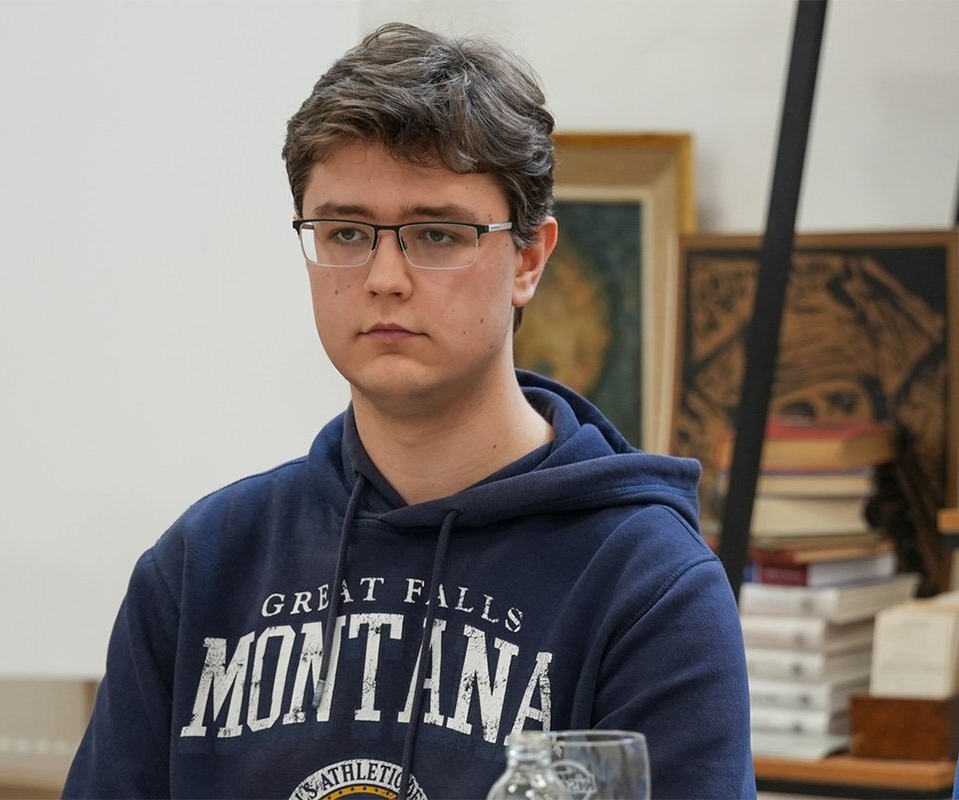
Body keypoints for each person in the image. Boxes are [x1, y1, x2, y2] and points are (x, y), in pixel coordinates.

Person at [62, 22, 754, 799]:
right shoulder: (201, 565)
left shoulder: (650, 586)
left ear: (528, 259)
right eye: (346, 232)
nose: (384, 276)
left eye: (437, 234)